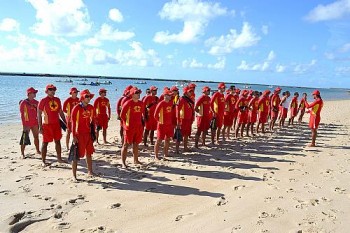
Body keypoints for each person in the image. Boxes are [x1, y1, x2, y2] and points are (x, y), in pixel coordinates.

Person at [38, 84, 66, 166]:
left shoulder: (57, 99)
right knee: (45, 142)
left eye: (54, 89)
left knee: (58, 141)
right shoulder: (43, 100)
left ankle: (59, 158)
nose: (52, 91)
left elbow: (60, 112)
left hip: (56, 124)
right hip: (47, 125)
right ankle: (43, 161)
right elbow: (39, 114)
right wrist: (40, 126)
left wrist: (65, 122)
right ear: (46, 91)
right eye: (50, 89)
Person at [70, 89, 95, 181]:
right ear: (82, 98)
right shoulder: (76, 108)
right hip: (78, 134)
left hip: (88, 134)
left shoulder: (91, 108)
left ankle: (90, 171)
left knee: (89, 153)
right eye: (86, 97)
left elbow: (93, 121)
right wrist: (73, 136)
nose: (88, 98)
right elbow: (73, 123)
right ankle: (74, 176)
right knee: (76, 155)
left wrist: (93, 133)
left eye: (89, 96)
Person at [120, 87, 145, 168]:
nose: (138, 94)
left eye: (139, 92)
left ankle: (136, 160)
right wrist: (126, 125)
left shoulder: (141, 103)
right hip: (129, 128)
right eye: (136, 93)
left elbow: (141, 115)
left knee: (136, 144)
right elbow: (122, 115)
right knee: (126, 145)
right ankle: (123, 163)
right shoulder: (128, 103)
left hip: (138, 127)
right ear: (132, 94)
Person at [19, 87, 41, 158]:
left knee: (36, 137)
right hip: (27, 123)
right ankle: (22, 153)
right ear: (29, 94)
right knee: (25, 138)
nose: (35, 94)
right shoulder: (23, 103)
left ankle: (38, 150)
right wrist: (24, 124)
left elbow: (40, 112)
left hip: (35, 122)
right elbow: (22, 114)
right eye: (34, 93)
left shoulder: (37, 102)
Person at [154, 89, 174, 160]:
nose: (170, 96)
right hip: (161, 125)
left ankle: (166, 153)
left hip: (169, 124)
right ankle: (156, 156)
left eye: (171, 95)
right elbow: (155, 115)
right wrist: (160, 121)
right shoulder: (161, 103)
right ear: (165, 96)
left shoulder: (171, 103)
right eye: (169, 95)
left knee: (168, 139)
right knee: (159, 140)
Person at [176, 86, 195, 153]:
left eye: (191, 91)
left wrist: (192, 118)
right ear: (185, 92)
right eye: (189, 91)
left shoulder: (190, 99)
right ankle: (177, 149)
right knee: (179, 135)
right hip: (183, 120)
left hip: (189, 119)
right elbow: (177, 110)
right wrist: (178, 121)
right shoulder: (181, 99)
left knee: (187, 134)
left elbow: (192, 110)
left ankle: (185, 147)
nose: (191, 92)